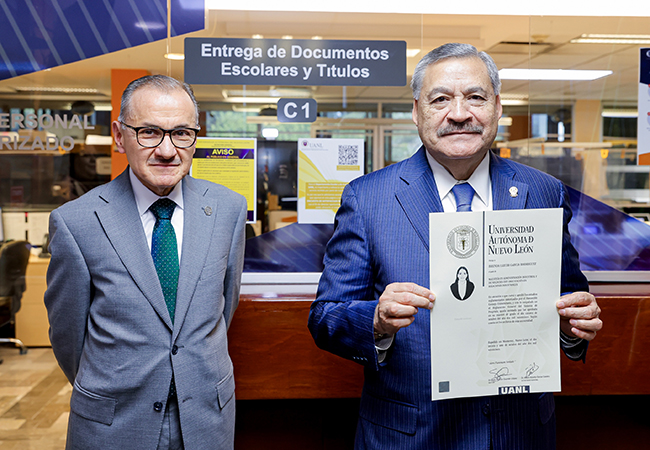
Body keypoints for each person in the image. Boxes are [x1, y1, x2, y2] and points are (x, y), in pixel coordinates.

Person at [308, 43, 602, 449]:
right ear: (417, 111)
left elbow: (567, 298)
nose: (460, 113)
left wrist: (574, 328)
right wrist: (376, 320)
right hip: (412, 436)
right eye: (441, 99)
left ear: (497, 107)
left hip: (518, 434)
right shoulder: (368, 198)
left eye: (476, 97)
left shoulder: (543, 192)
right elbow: (326, 317)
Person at [45, 75, 247, 450]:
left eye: (181, 133)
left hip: (205, 419)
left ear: (195, 138)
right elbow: (68, 338)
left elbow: (224, 306)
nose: (167, 150)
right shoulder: (76, 222)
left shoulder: (228, 210)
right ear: (119, 136)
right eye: (149, 132)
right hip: (114, 425)